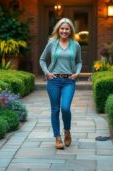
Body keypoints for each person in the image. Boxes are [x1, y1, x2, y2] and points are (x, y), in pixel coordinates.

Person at [39, 17, 82, 149]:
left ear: (70, 30)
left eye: (67, 29)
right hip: (54, 81)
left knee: (65, 108)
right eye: (62, 28)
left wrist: (77, 73)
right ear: (58, 29)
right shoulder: (52, 43)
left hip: (69, 81)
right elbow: (42, 60)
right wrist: (47, 72)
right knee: (55, 110)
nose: (64, 31)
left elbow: (79, 61)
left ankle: (67, 131)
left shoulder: (75, 45)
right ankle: (57, 138)